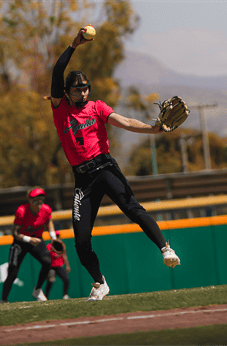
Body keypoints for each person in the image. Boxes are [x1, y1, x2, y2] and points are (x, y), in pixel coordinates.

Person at [43, 26, 180, 301]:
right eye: (77, 89)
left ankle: (165, 248)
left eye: (85, 88)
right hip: (82, 181)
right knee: (81, 241)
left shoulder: (97, 107)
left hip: (105, 168)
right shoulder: (60, 110)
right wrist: (73, 45)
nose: (82, 93)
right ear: (67, 92)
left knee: (132, 208)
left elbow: (126, 122)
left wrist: (153, 129)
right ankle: (99, 283)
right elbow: (57, 73)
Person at [0, 187, 58, 303]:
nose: (39, 202)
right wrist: (28, 239)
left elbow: (49, 221)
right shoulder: (21, 211)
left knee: (47, 261)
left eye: (41, 199)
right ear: (29, 200)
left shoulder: (46, 210)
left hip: (36, 239)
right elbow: (15, 233)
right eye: (35, 199)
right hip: (20, 242)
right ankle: (3, 300)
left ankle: (37, 290)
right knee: (13, 272)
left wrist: (53, 237)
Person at [44, 231, 71, 300]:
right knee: (50, 281)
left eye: (58, 237)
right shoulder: (49, 246)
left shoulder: (61, 245)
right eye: (56, 237)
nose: (58, 238)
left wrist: (67, 265)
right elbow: (47, 256)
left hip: (59, 266)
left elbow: (64, 256)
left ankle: (65, 295)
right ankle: (45, 297)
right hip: (51, 267)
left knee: (66, 279)